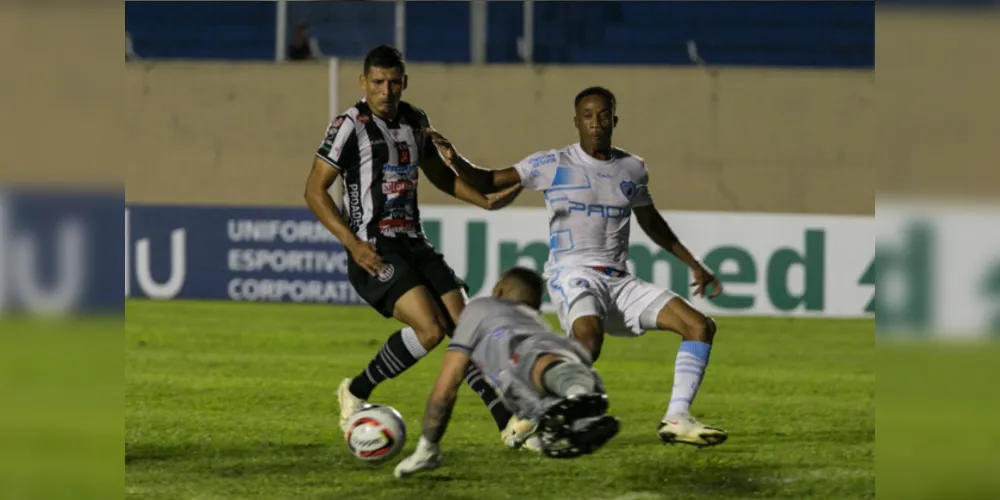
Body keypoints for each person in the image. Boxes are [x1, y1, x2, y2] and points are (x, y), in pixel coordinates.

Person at [428, 86, 728, 447]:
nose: (596, 123)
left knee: (699, 326)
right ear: (576, 121)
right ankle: (537, 406)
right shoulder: (552, 164)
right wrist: (453, 157)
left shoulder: (633, 168)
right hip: (573, 274)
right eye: (587, 116)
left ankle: (677, 418)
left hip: (620, 280)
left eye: (603, 115)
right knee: (588, 340)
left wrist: (694, 264)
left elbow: (652, 222)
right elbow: (489, 180)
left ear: (615, 119)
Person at [303, 45, 532, 449]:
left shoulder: (416, 120)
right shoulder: (349, 125)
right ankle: (356, 390)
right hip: (374, 249)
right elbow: (314, 191)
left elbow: (440, 176)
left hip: (414, 242)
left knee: (466, 331)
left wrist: (484, 200)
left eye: (393, 82)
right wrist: (352, 244)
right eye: (377, 82)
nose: (386, 90)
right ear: (363, 82)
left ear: (404, 82)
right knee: (429, 330)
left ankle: (508, 424)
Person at [394, 267, 620, 478]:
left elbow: (446, 388)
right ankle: (578, 399)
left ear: (498, 290)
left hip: (528, 362)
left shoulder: (481, 309)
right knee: (542, 384)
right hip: (568, 360)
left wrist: (428, 446)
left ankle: (578, 399)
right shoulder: (536, 321)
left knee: (529, 362)